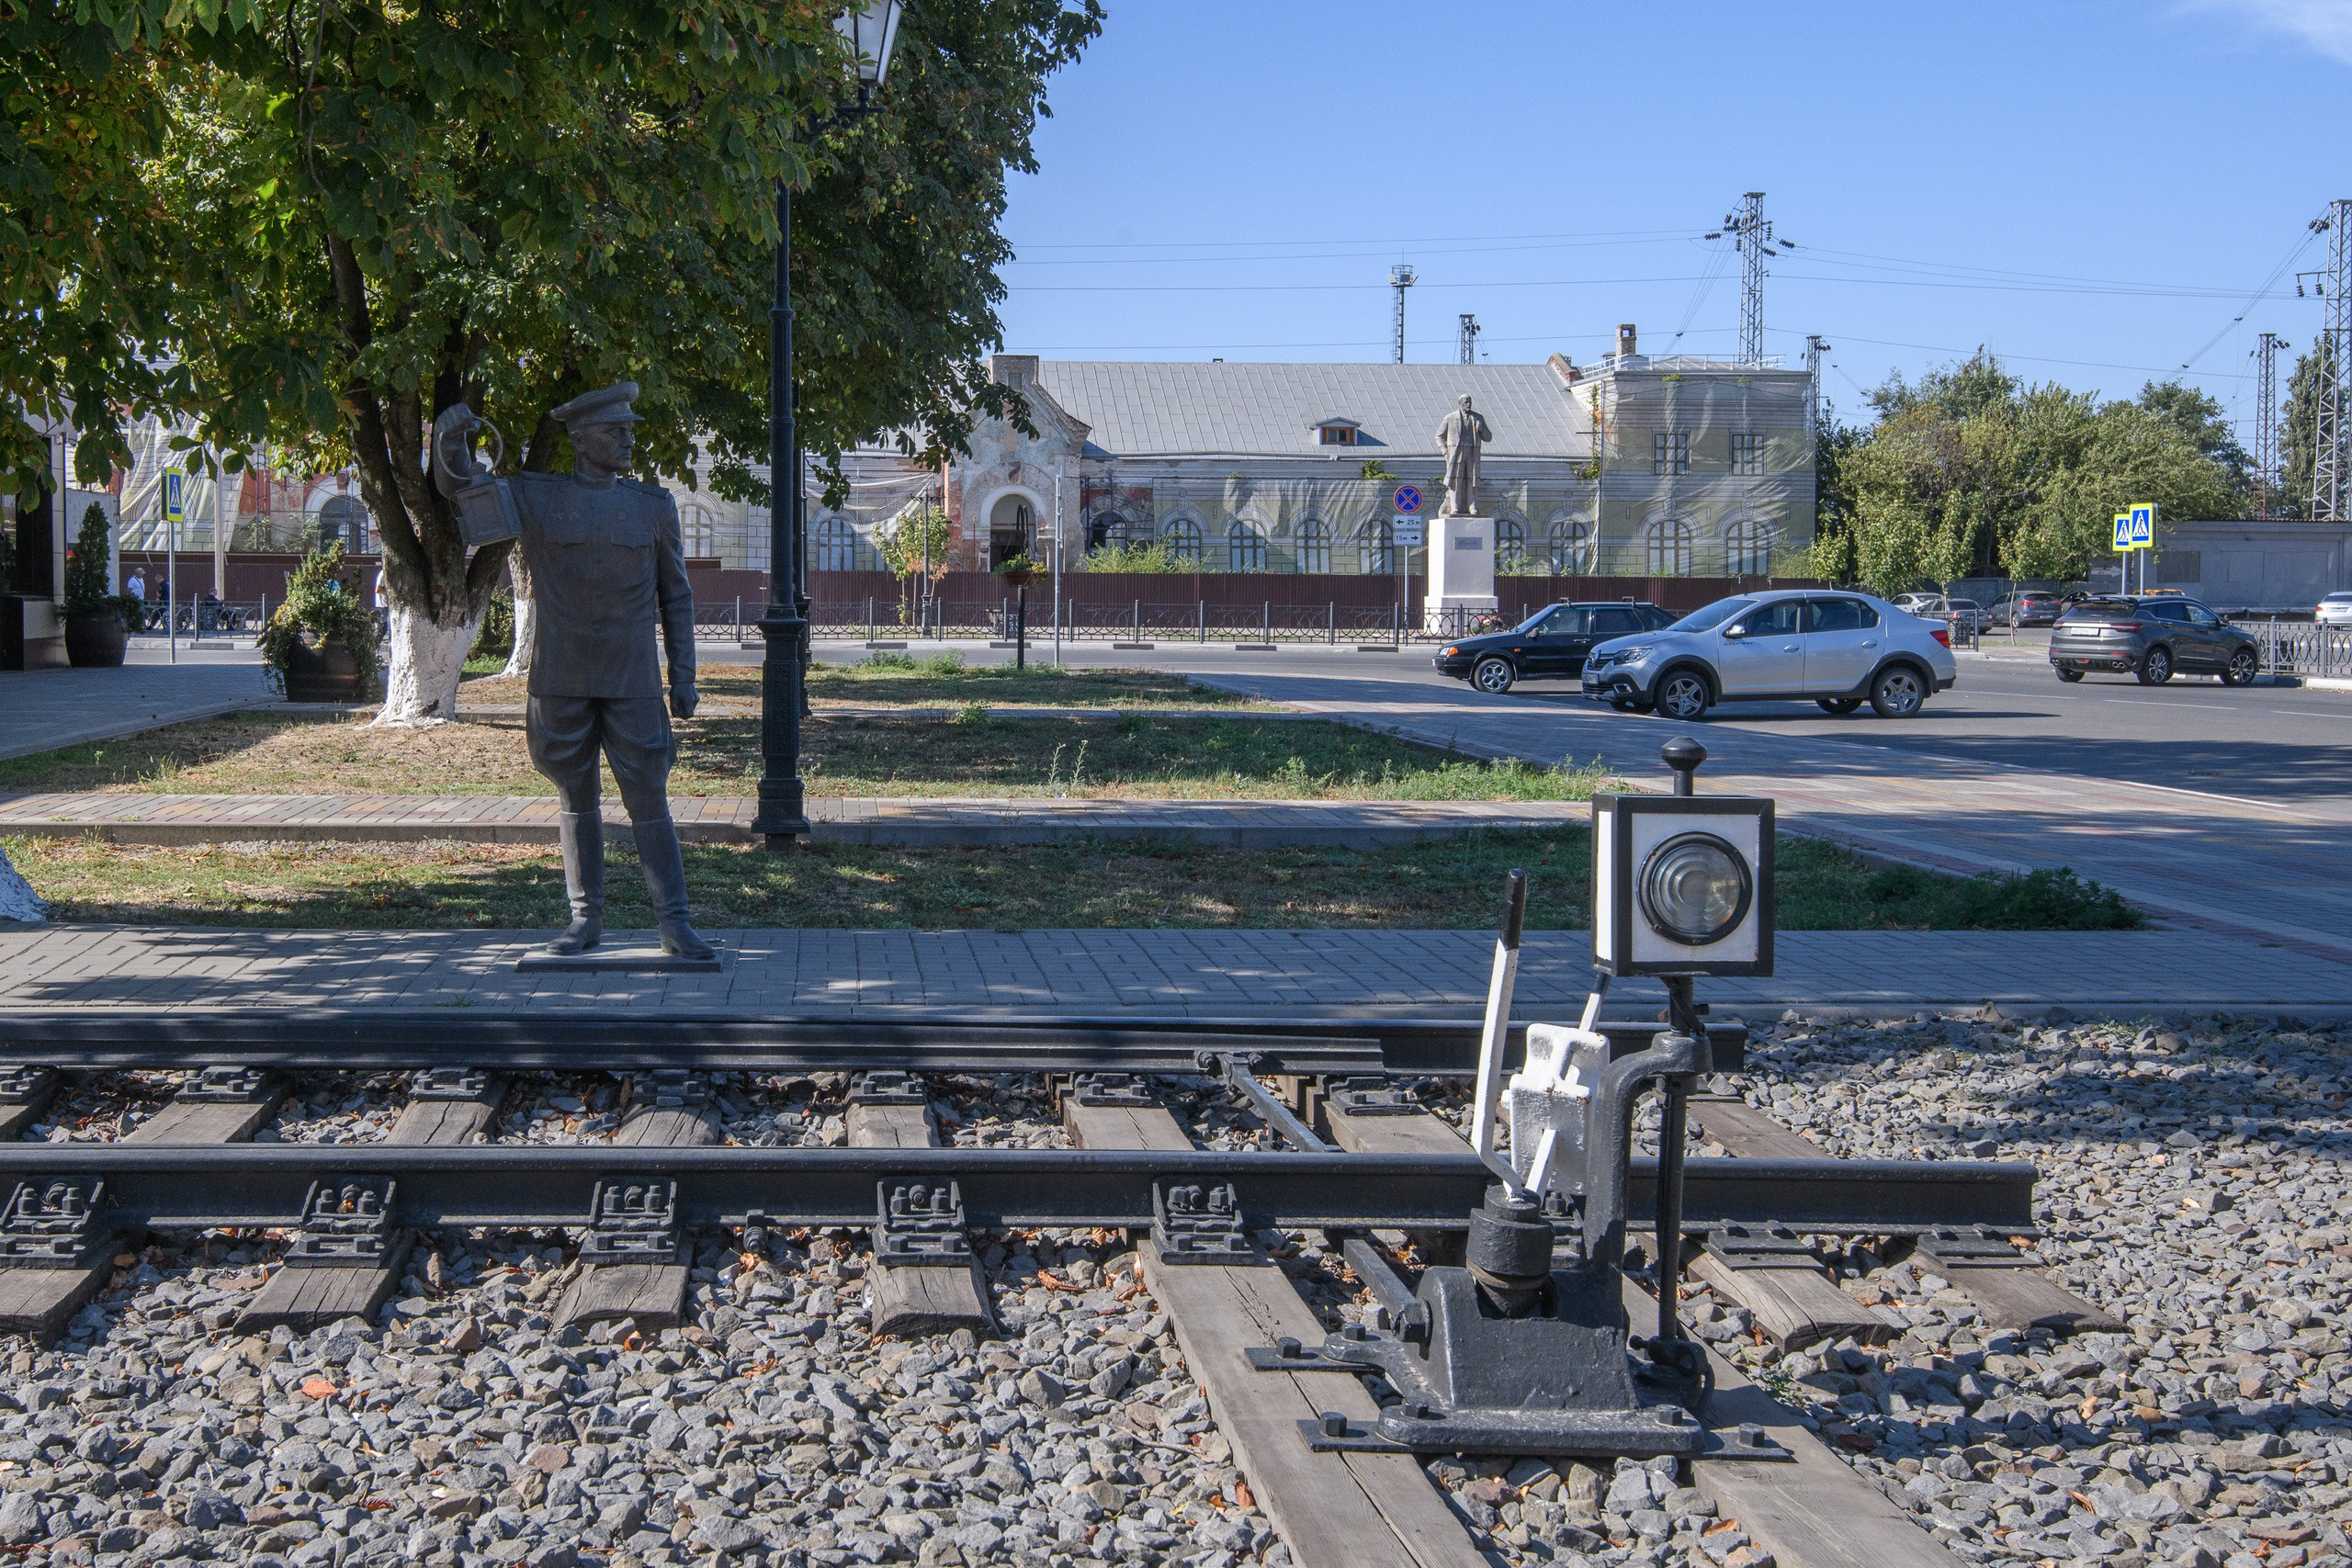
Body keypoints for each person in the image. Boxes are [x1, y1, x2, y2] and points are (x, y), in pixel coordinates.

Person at [432, 382, 711, 962]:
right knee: (576, 797)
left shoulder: (652, 505)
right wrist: (450, 440)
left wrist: (683, 673)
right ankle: (584, 922)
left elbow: (676, 596)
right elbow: (465, 490)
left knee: (648, 797)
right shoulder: (538, 497)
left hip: (632, 677)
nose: (628, 438)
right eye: (616, 431)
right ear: (583, 440)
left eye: (630, 429)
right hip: (560, 675)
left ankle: (674, 924)